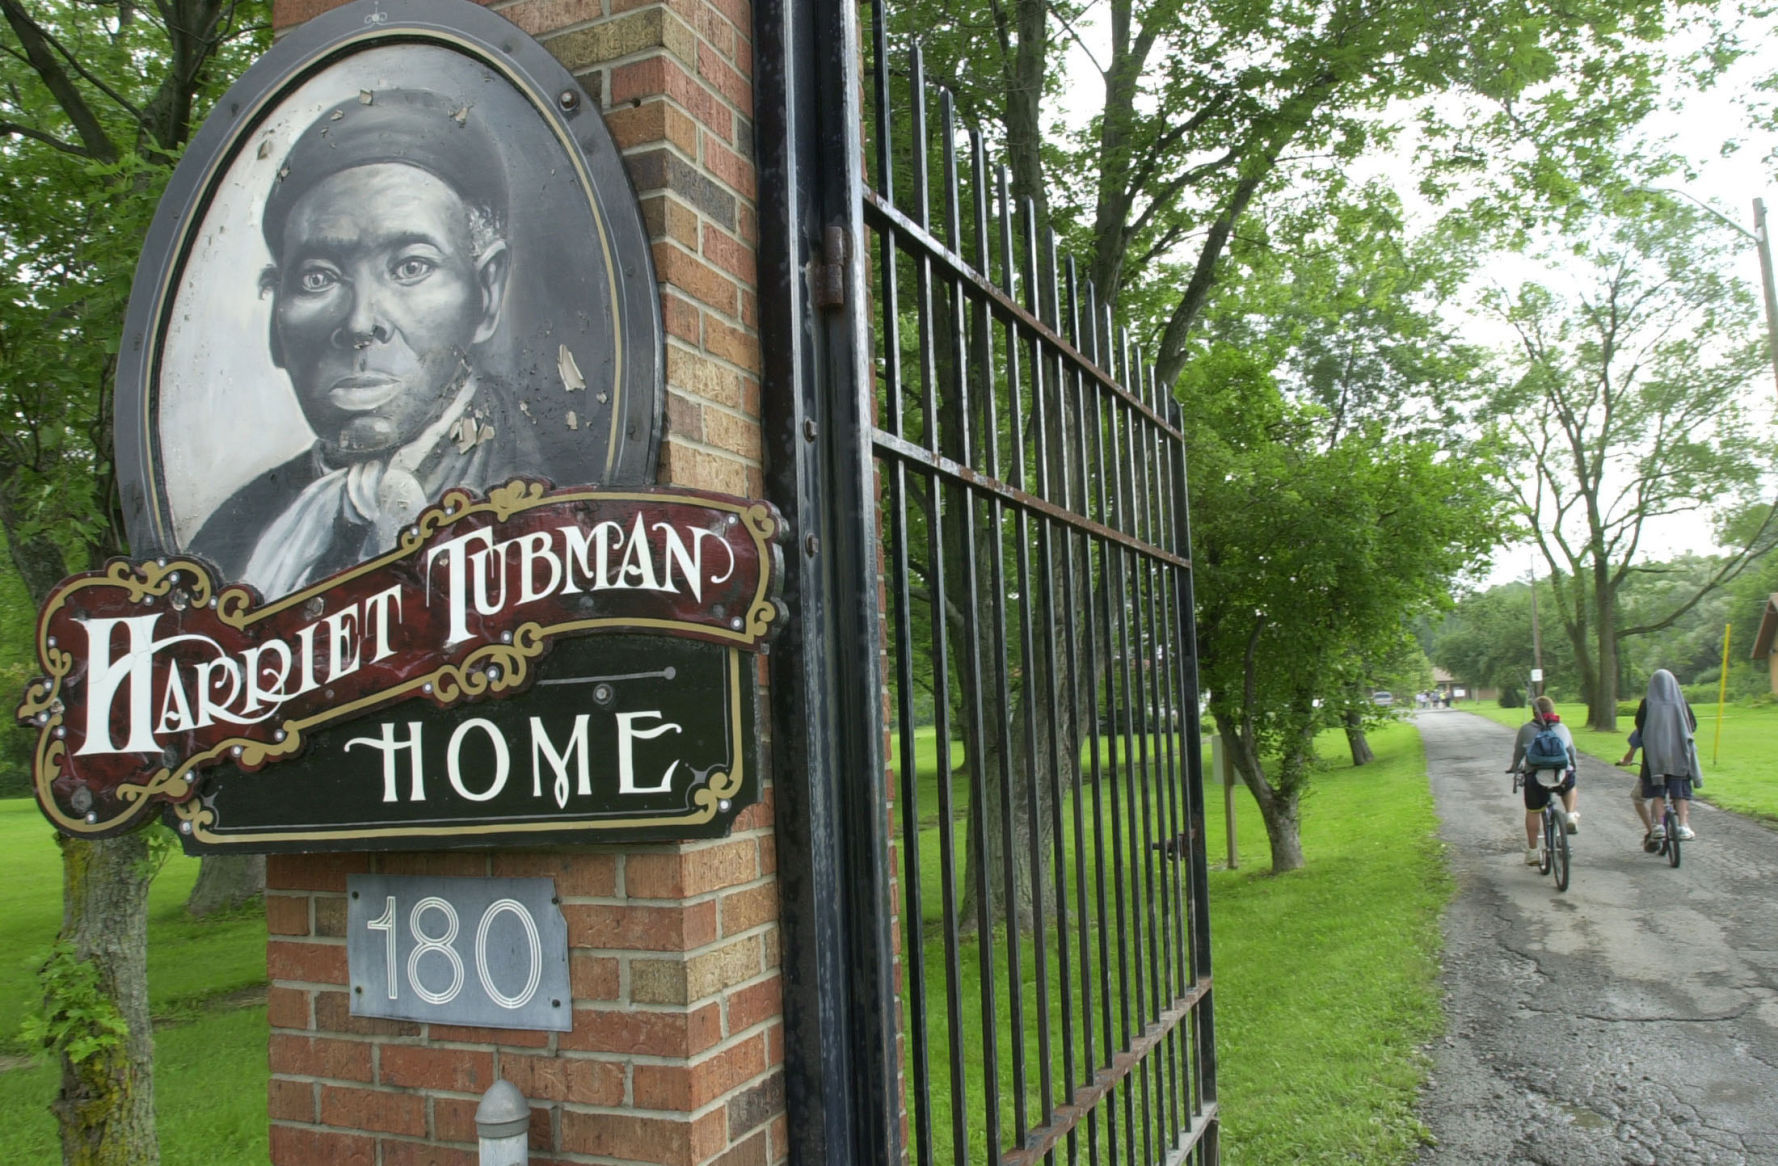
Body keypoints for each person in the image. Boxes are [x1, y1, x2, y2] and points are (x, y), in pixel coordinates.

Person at [191, 88, 545, 597]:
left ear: (486, 294)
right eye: (318, 278)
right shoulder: (230, 536)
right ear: (276, 322)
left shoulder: (546, 485)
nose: (360, 322)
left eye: (410, 267)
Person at [1621, 669, 1701, 844]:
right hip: (1679, 755)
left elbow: (1640, 729)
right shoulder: (1681, 703)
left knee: (1658, 791)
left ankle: (1658, 827)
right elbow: (1692, 725)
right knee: (1679, 791)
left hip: (1654, 757)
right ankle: (1683, 826)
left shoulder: (1647, 704)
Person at [1510, 695, 1579, 865]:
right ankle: (1569, 815)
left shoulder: (1526, 729)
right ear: (1552, 710)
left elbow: (1518, 753)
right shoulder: (1562, 728)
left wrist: (1514, 767)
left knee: (1533, 811)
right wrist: (1573, 766)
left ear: (1534, 712)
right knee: (1570, 784)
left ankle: (1533, 851)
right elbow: (1571, 752)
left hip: (1535, 777)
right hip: (1560, 775)